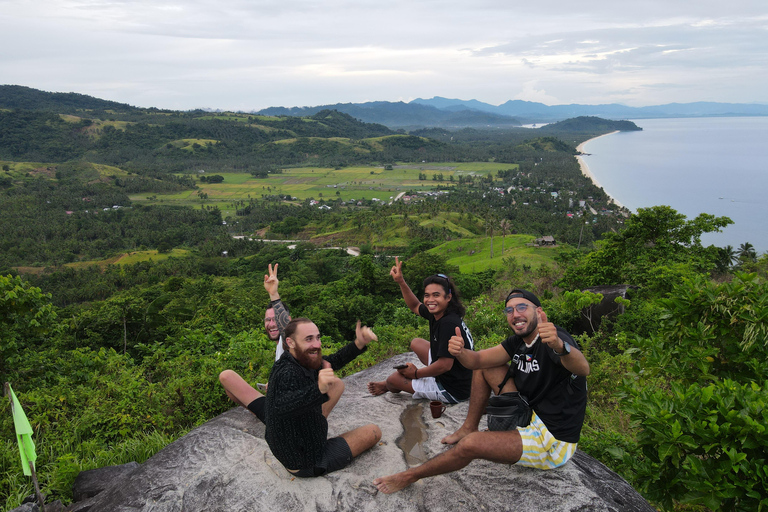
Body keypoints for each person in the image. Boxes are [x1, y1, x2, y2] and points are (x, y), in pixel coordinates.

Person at [373, 289, 590, 494]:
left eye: (522, 307)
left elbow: (582, 368)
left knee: (470, 446)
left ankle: (409, 476)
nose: (515, 314)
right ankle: (469, 426)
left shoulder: (554, 339)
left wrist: (560, 347)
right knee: (485, 367)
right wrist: (460, 352)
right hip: (529, 413)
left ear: (539, 312)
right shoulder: (518, 342)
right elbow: (476, 360)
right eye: (510, 310)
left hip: (551, 439)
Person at [265, 317, 382, 477]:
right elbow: (282, 406)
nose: (317, 344)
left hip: (295, 440)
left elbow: (333, 360)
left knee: (336, 383)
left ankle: (317, 424)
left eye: (317, 337)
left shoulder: (295, 358)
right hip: (304, 460)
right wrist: (318, 389)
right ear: (290, 342)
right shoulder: (287, 374)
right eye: (309, 339)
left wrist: (359, 344)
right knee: (374, 431)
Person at [368, 257, 474, 403]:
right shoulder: (439, 312)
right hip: (456, 372)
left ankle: (386, 386)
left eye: (436, 295)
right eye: (427, 295)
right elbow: (414, 306)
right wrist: (401, 281)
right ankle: (428, 375)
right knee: (416, 343)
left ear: (448, 297)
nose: (430, 300)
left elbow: (445, 365)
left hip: (452, 388)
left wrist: (416, 374)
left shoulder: (448, 323)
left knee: (393, 380)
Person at [218, 263, 291, 422]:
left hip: (285, 412)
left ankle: (269, 418)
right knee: (229, 386)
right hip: (278, 404)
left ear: (286, 319)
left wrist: (274, 294)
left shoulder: (291, 340)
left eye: (275, 319)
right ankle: (260, 414)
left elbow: (286, 329)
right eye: (267, 320)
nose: (271, 324)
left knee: (226, 375)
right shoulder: (280, 345)